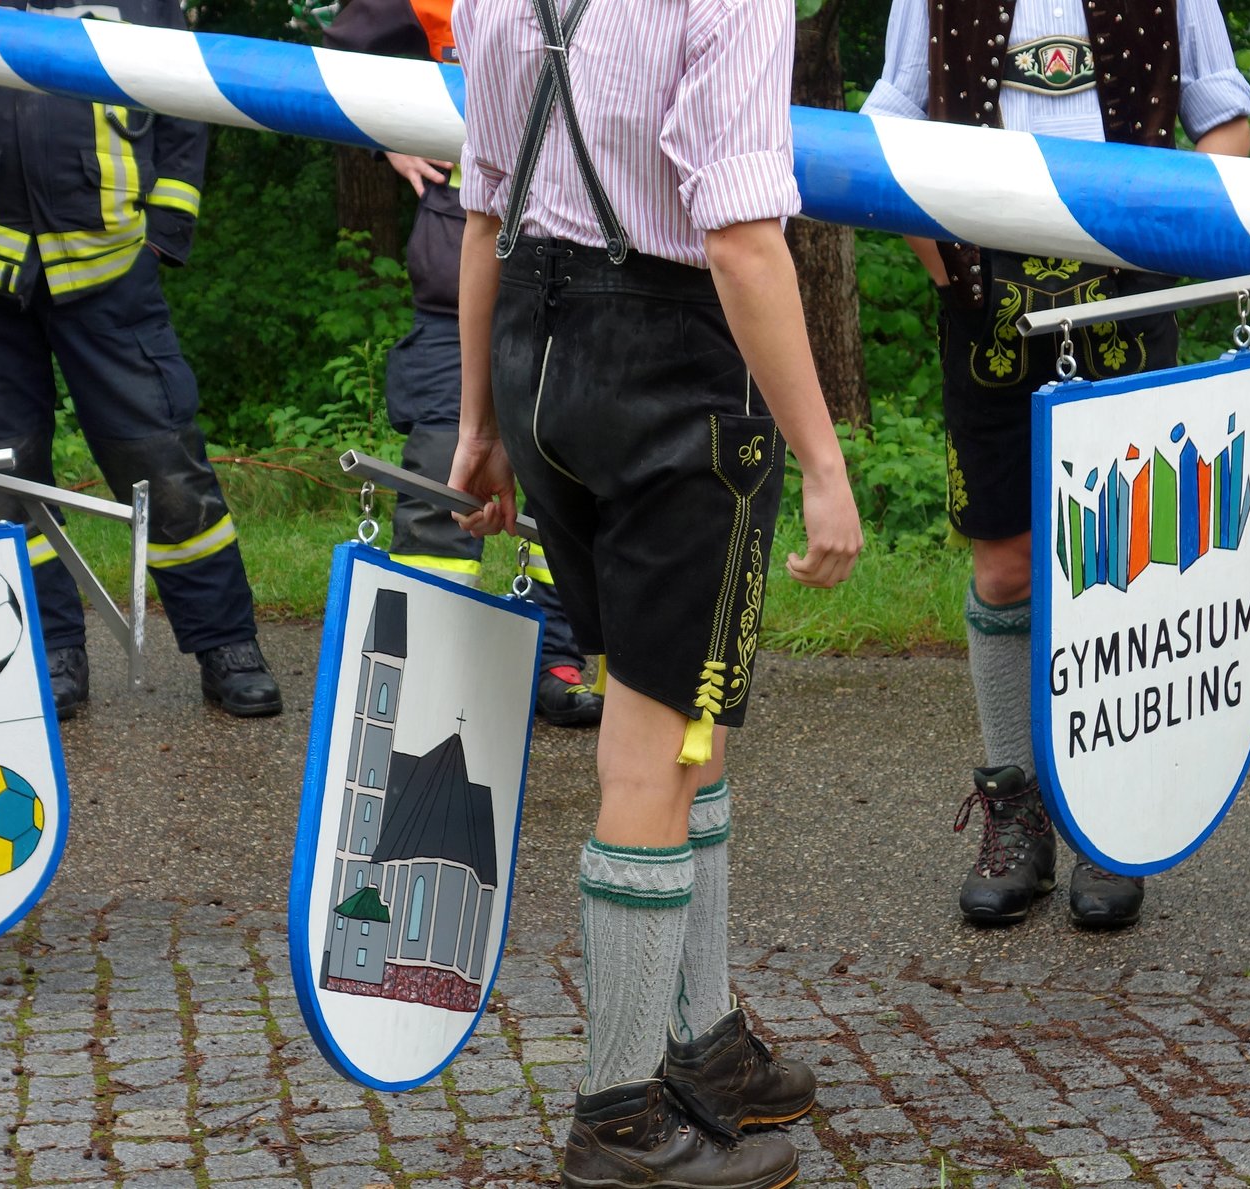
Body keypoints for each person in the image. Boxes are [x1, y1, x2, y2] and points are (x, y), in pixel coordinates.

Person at [448, 0, 863, 1174]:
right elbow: (738, 240)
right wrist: (824, 466)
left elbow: (485, 211)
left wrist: (480, 422)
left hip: (538, 357)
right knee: (652, 749)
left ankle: (708, 1043)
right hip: (670, 374)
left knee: (685, 718)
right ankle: (618, 1116)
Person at [859, 0, 1250, 931]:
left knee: (1123, 556)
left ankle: (1114, 822)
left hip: (1125, 294)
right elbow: (889, 125)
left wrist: (1162, 247)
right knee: (1005, 561)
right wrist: (944, 267)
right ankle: (1017, 814)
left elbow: (1225, 124)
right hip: (987, 302)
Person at [0, 0, 281, 721]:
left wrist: (165, 228)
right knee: (3, 477)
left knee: (164, 462)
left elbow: (184, 92)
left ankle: (227, 644)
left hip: (108, 264)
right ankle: (48, 648)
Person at [320, 0, 602, 729]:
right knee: (445, 475)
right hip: (459, 281)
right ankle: (428, 667)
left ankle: (557, 661)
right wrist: (391, 133)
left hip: (592, 277)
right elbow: (344, 53)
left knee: (570, 478)